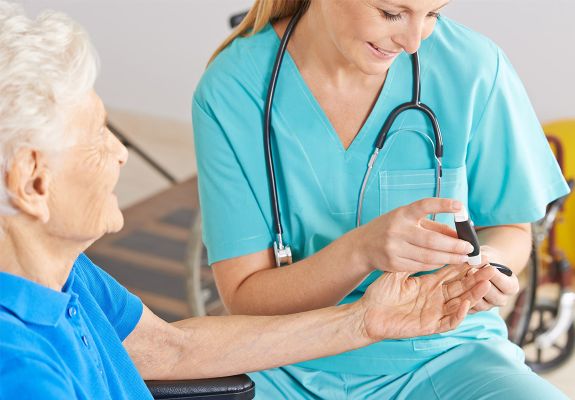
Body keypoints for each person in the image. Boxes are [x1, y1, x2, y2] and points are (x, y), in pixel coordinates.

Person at [0, 2, 498, 399]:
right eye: (95, 136)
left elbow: (167, 349)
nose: (120, 152)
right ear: (32, 184)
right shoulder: (23, 370)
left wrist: (364, 320)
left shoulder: (63, 272)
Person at [192, 0, 570, 398]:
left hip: (447, 351)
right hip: (289, 358)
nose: (412, 42)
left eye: (432, 14)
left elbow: (510, 226)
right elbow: (246, 298)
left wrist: (492, 265)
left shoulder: (474, 67)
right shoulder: (234, 88)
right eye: (391, 13)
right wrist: (361, 252)